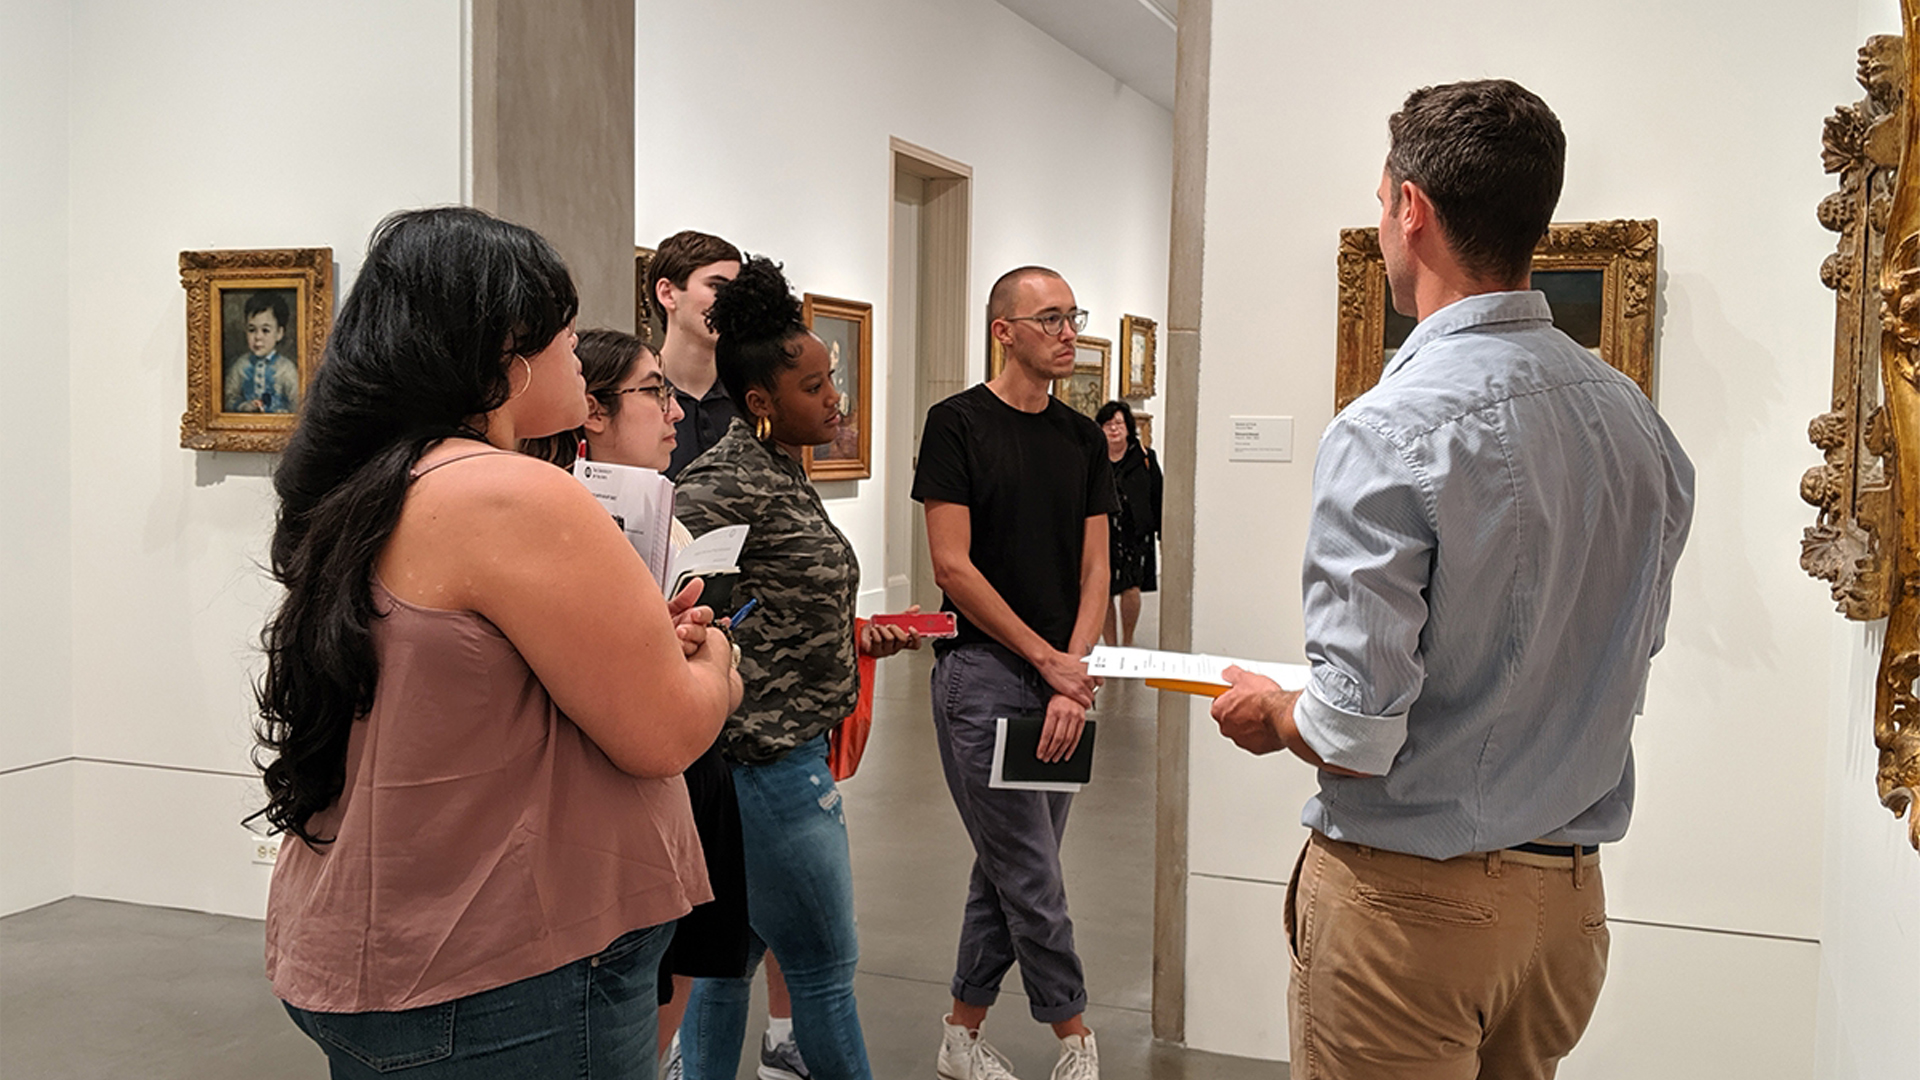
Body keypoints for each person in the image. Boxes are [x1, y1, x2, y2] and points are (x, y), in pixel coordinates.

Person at [1207, 80, 1694, 1078]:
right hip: (1566, 910)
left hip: (1408, 913)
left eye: (1381, 202)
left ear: (1411, 208)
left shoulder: (1388, 428)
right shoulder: (1634, 420)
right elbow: (1620, 648)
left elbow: (1352, 731)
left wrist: (1274, 714)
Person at [254, 207, 741, 1078]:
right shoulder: (512, 495)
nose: (574, 355)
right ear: (507, 356)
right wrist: (716, 666)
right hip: (509, 969)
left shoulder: (377, 483)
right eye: (560, 333)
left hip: (387, 939)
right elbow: (665, 731)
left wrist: (628, 646)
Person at [672, 256, 921, 1080]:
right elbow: (672, 602)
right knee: (821, 973)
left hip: (777, 756)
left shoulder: (782, 472)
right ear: (760, 403)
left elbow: (768, 605)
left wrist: (849, 637)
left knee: (726, 969)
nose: (834, 398)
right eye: (815, 387)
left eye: (831, 379)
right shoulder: (720, 486)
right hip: (765, 764)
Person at [520, 328, 753, 1077]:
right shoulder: (544, 522)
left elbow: (711, 662)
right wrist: (706, 658)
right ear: (590, 410)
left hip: (692, 775)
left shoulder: (665, 513)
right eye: (654, 393)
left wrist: (703, 648)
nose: (675, 412)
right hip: (621, 794)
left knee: (679, 977)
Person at [911, 266, 1115, 1080]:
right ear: (1005, 331)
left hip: (1060, 676)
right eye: (1051, 318)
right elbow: (953, 567)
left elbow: (1096, 571)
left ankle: (961, 1034)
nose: (1068, 332)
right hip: (984, 674)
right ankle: (1076, 1038)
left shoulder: (1080, 440)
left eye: (1073, 317)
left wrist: (1076, 670)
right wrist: (1049, 663)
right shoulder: (956, 425)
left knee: (1009, 866)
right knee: (1030, 868)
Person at [648, 229, 744, 478]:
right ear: (667, 293)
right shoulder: (637, 398)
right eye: (716, 286)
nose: (731, 301)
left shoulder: (749, 399)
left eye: (737, 291)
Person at [1093, 400, 1162, 648]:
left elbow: (1158, 494)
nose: (1114, 429)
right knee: (1104, 590)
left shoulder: (1144, 457)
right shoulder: (1094, 460)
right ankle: (1111, 645)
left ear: (1128, 427)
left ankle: (1129, 640)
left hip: (1135, 532)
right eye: (1108, 424)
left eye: (1119, 424)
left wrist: (1162, 533)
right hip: (1103, 532)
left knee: (1132, 588)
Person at [224, 290, 300, 413]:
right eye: (252, 330)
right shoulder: (241, 365)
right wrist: (243, 406)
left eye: (265, 330)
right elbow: (226, 398)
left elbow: (298, 403)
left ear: (279, 333)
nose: (258, 337)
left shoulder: (286, 369)